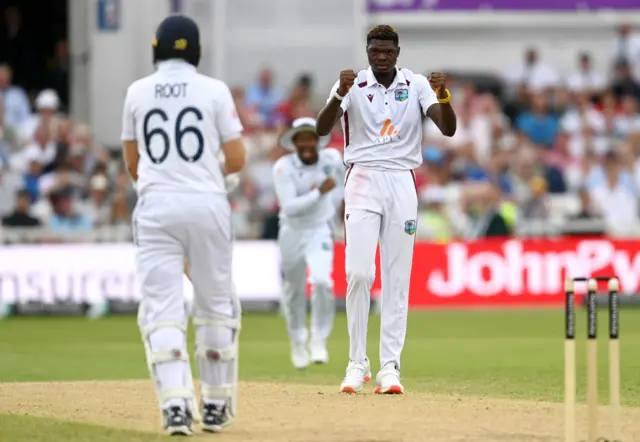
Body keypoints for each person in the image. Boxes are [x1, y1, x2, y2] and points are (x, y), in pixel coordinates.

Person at [120, 15, 246, 436]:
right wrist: (215, 177)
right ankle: (214, 405)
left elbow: (132, 162)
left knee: (162, 311)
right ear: (197, 51)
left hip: (155, 208)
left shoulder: (137, 91)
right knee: (215, 305)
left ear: (156, 49)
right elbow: (237, 157)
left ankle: (175, 408)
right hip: (207, 204)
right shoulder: (214, 90)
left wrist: (165, 185)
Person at [316, 25, 456, 395]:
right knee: (359, 273)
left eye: (387, 52)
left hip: (401, 180)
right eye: (375, 51)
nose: (381, 58)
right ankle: (356, 362)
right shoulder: (353, 83)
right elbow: (321, 127)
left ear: (397, 52)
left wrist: (443, 96)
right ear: (367, 51)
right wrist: (339, 94)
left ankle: (389, 367)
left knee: (397, 279)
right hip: (362, 179)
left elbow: (448, 128)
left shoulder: (417, 84)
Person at [273, 117, 345, 369]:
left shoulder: (331, 159)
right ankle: (297, 342)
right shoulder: (283, 167)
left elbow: (344, 186)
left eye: (310, 138)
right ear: (294, 142)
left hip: (319, 230)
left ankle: (318, 340)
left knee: (323, 281)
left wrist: (336, 206)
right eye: (300, 138)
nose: (305, 143)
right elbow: (290, 207)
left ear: (317, 141)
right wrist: (319, 193)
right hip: (292, 231)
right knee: (294, 291)